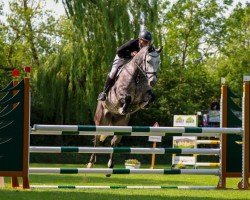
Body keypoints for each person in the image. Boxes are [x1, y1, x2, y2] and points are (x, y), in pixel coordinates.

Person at [97, 30, 153, 101]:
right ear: (140, 39)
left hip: (133, 62)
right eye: (145, 41)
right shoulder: (132, 43)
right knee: (113, 72)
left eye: (148, 42)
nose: (146, 43)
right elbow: (119, 51)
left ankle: (144, 94)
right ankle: (104, 92)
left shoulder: (147, 47)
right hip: (122, 57)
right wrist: (130, 54)